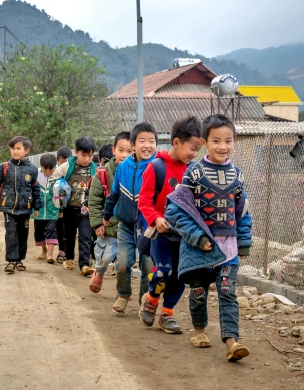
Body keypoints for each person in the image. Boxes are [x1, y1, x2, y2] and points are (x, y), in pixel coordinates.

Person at [167, 114, 253, 361]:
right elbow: (176, 210)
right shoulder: (193, 173)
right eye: (216, 140)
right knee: (198, 293)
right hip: (199, 250)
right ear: (204, 141)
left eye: (228, 141)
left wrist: (244, 241)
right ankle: (199, 331)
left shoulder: (238, 176)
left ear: (234, 142)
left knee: (227, 293)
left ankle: (232, 342)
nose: (222, 146)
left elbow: (243, 212)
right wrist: (196, 238)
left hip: (228, 250)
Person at [137, 116, 203, 334]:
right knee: (163, 271)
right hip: (162, 233)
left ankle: (167, 313)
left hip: (186, 235)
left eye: (197, 149)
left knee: (180, 275)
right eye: (191, 148)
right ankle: (152, 298)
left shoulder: (195, 171)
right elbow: (144, 201)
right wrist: (156, 218)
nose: (194, 154)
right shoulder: (156, 167)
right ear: (176, 142)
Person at [103, 122, 157, 315]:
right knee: (123, 263)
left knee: (148, 265)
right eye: (142, 140)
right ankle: (123, 294)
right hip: (126, 224)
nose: (147, 145)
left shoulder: (158, 166)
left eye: (152, 141)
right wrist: (107, 214)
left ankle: (145, 299)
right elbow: (114, 193)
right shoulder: (123, 167)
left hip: (149, 226)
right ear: (133, 144)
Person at [0, 136, 41, 274]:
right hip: (8, 208)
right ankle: (11, 261)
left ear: (26, 151)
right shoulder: (4, 167)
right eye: (13, 148)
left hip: (25, 209)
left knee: (23, 234)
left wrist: (37, 207)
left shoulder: (32, 169)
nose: (15, 151)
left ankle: (20, 260)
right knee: (11, 233)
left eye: (18, 148)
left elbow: (36, 189)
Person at [87, 132, 132, 293]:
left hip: (129, 228)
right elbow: (94, 201)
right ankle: (99, 271)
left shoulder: (139, 173)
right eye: (121, 150)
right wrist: (97, 223)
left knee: (123, 263)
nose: (125, 155)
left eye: (130, 151)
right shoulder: (103, 174)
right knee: (105, 257)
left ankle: (121, 293)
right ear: (113, 150)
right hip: (109, 226)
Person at [51, 137, 97, 275]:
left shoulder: (94, 168)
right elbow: (53, 179)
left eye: (90, 156)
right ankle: (69, 258)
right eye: (84, 155)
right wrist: (60, 189)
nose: (87, 159)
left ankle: (83, 265)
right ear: (76, 152)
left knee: (85, 236)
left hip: (86, 210)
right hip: (69, 208)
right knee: (69, 235)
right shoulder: (66, 166)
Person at [33, 153, 59, 264]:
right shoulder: (35, 174)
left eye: (51, 170)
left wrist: (60, 209)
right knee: (39, 232)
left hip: (52, 209)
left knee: (51, 230)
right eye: (45, 170)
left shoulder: (58, 174)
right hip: (39, 209)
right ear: (41, 166)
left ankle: (50, 254)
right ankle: (44, 249)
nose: (48, 173)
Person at [54, 145, 73, 263]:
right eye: (62, 162)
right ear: (58, 160)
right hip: (60, 203)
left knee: (70, 230)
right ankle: (62, 250)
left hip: (72, 203)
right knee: (60, 226)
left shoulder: (73, 168)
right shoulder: (57, 171)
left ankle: (68, 252)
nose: (64, 165)